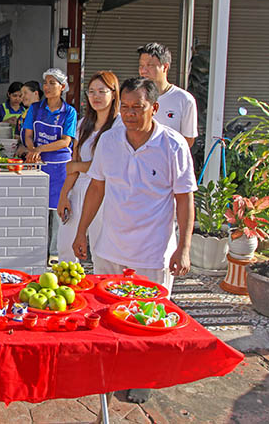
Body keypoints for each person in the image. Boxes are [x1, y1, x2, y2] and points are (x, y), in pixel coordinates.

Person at [72, 77, 196, 403]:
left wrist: (184, 248)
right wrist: (82, 230)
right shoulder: (110, 141)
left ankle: (144, 377)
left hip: (153, 251)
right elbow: (97, 186)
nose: (128, 113)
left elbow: (184, 199)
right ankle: (114, 372)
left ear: (154, 108)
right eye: (124, 107)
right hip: (110, 246)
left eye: (136, 107)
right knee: (110, 315)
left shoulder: (173, 145)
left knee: (150, 319)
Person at [56, 71, 121, 263]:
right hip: (79, 189)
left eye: (102, 91)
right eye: (92, 92)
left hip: (106, 191)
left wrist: (78, 166)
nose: (96, 96)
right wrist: (63, 196)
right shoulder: (84, 124)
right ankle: (67, 290)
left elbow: (109, 166)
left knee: (100, 251)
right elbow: (71, 167)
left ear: (114, 93)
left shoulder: (120, 126)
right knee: (65, 246)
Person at [18, 68, 77, 262]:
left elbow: (65, 141)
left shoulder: (69, 112)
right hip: (38, 164)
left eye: (53, 83)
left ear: (62, 87)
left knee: (58, 211)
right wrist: (32, 148)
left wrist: (38, 150)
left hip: (60, 167)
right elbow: (28, 134)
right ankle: (36, 253)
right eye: (46, 83)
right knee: (38, 209)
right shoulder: (36, 109)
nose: (48, 87)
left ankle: (55, 253)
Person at [137, 42, 198, 147]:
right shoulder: (133, 97)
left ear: (165, 67)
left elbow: (188, 140)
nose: (143, 71)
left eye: (149, 65)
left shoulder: (184, 99)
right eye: (141, 66)